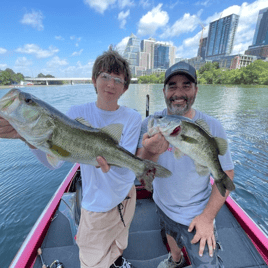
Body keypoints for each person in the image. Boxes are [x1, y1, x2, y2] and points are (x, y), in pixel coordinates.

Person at [0, 48, 141, 268]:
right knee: (91, 260)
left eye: (117, 79)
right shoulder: (77, 111)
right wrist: (26, 138)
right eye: (105, 77)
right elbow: (53, 161)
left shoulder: (132, 118)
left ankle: (117, 261)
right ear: (94, 80)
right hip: (97, 205)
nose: (110, 84)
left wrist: (116, 166)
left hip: (127, 196)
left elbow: (127, 170)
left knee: (121, 242)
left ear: (125, 88)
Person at [136, 61, 234, 268]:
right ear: (163, 91)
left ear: (196, 90)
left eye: (186, 85)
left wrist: (207, 218)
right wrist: (151, 151)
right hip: (163, 205)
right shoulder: (151, 123)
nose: (178, 92)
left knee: (207, 264)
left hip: (197, 214)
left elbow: (227, 173)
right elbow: (142, 175)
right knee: (170, 233)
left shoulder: (213, 126)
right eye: (172, 86)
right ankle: (176, 259)